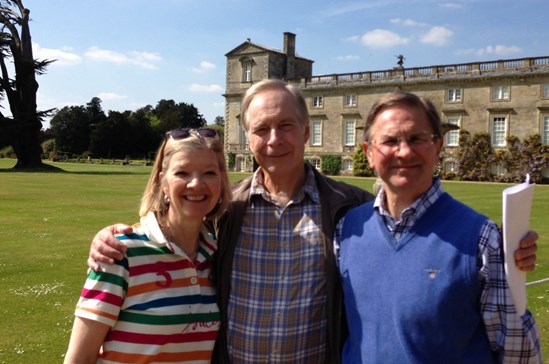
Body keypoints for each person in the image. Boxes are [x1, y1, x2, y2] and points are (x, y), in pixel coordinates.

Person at [87, 80, 539, 363]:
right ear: (247, 136)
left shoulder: (349, 209)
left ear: (307, 131)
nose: (274, 139)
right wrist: (114, 236)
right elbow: (176, 230)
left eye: (287, 126)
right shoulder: (226, 209)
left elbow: (421, 225)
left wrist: (500, 243)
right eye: (262, 129)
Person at [337, 92, 542, 363]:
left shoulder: (481, 238)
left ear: (438, 147)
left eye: (417, 138)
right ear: (369, 153)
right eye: (389, 141)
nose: (404, 151)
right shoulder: (347, 229)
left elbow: (518, 351)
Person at [64, 128, 231, 363]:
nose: (196, 184)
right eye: (182, 172)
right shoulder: (120, 253)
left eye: (209, 173)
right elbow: (79, 358)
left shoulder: (217, 255)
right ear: (163, 182)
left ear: (221, 181)